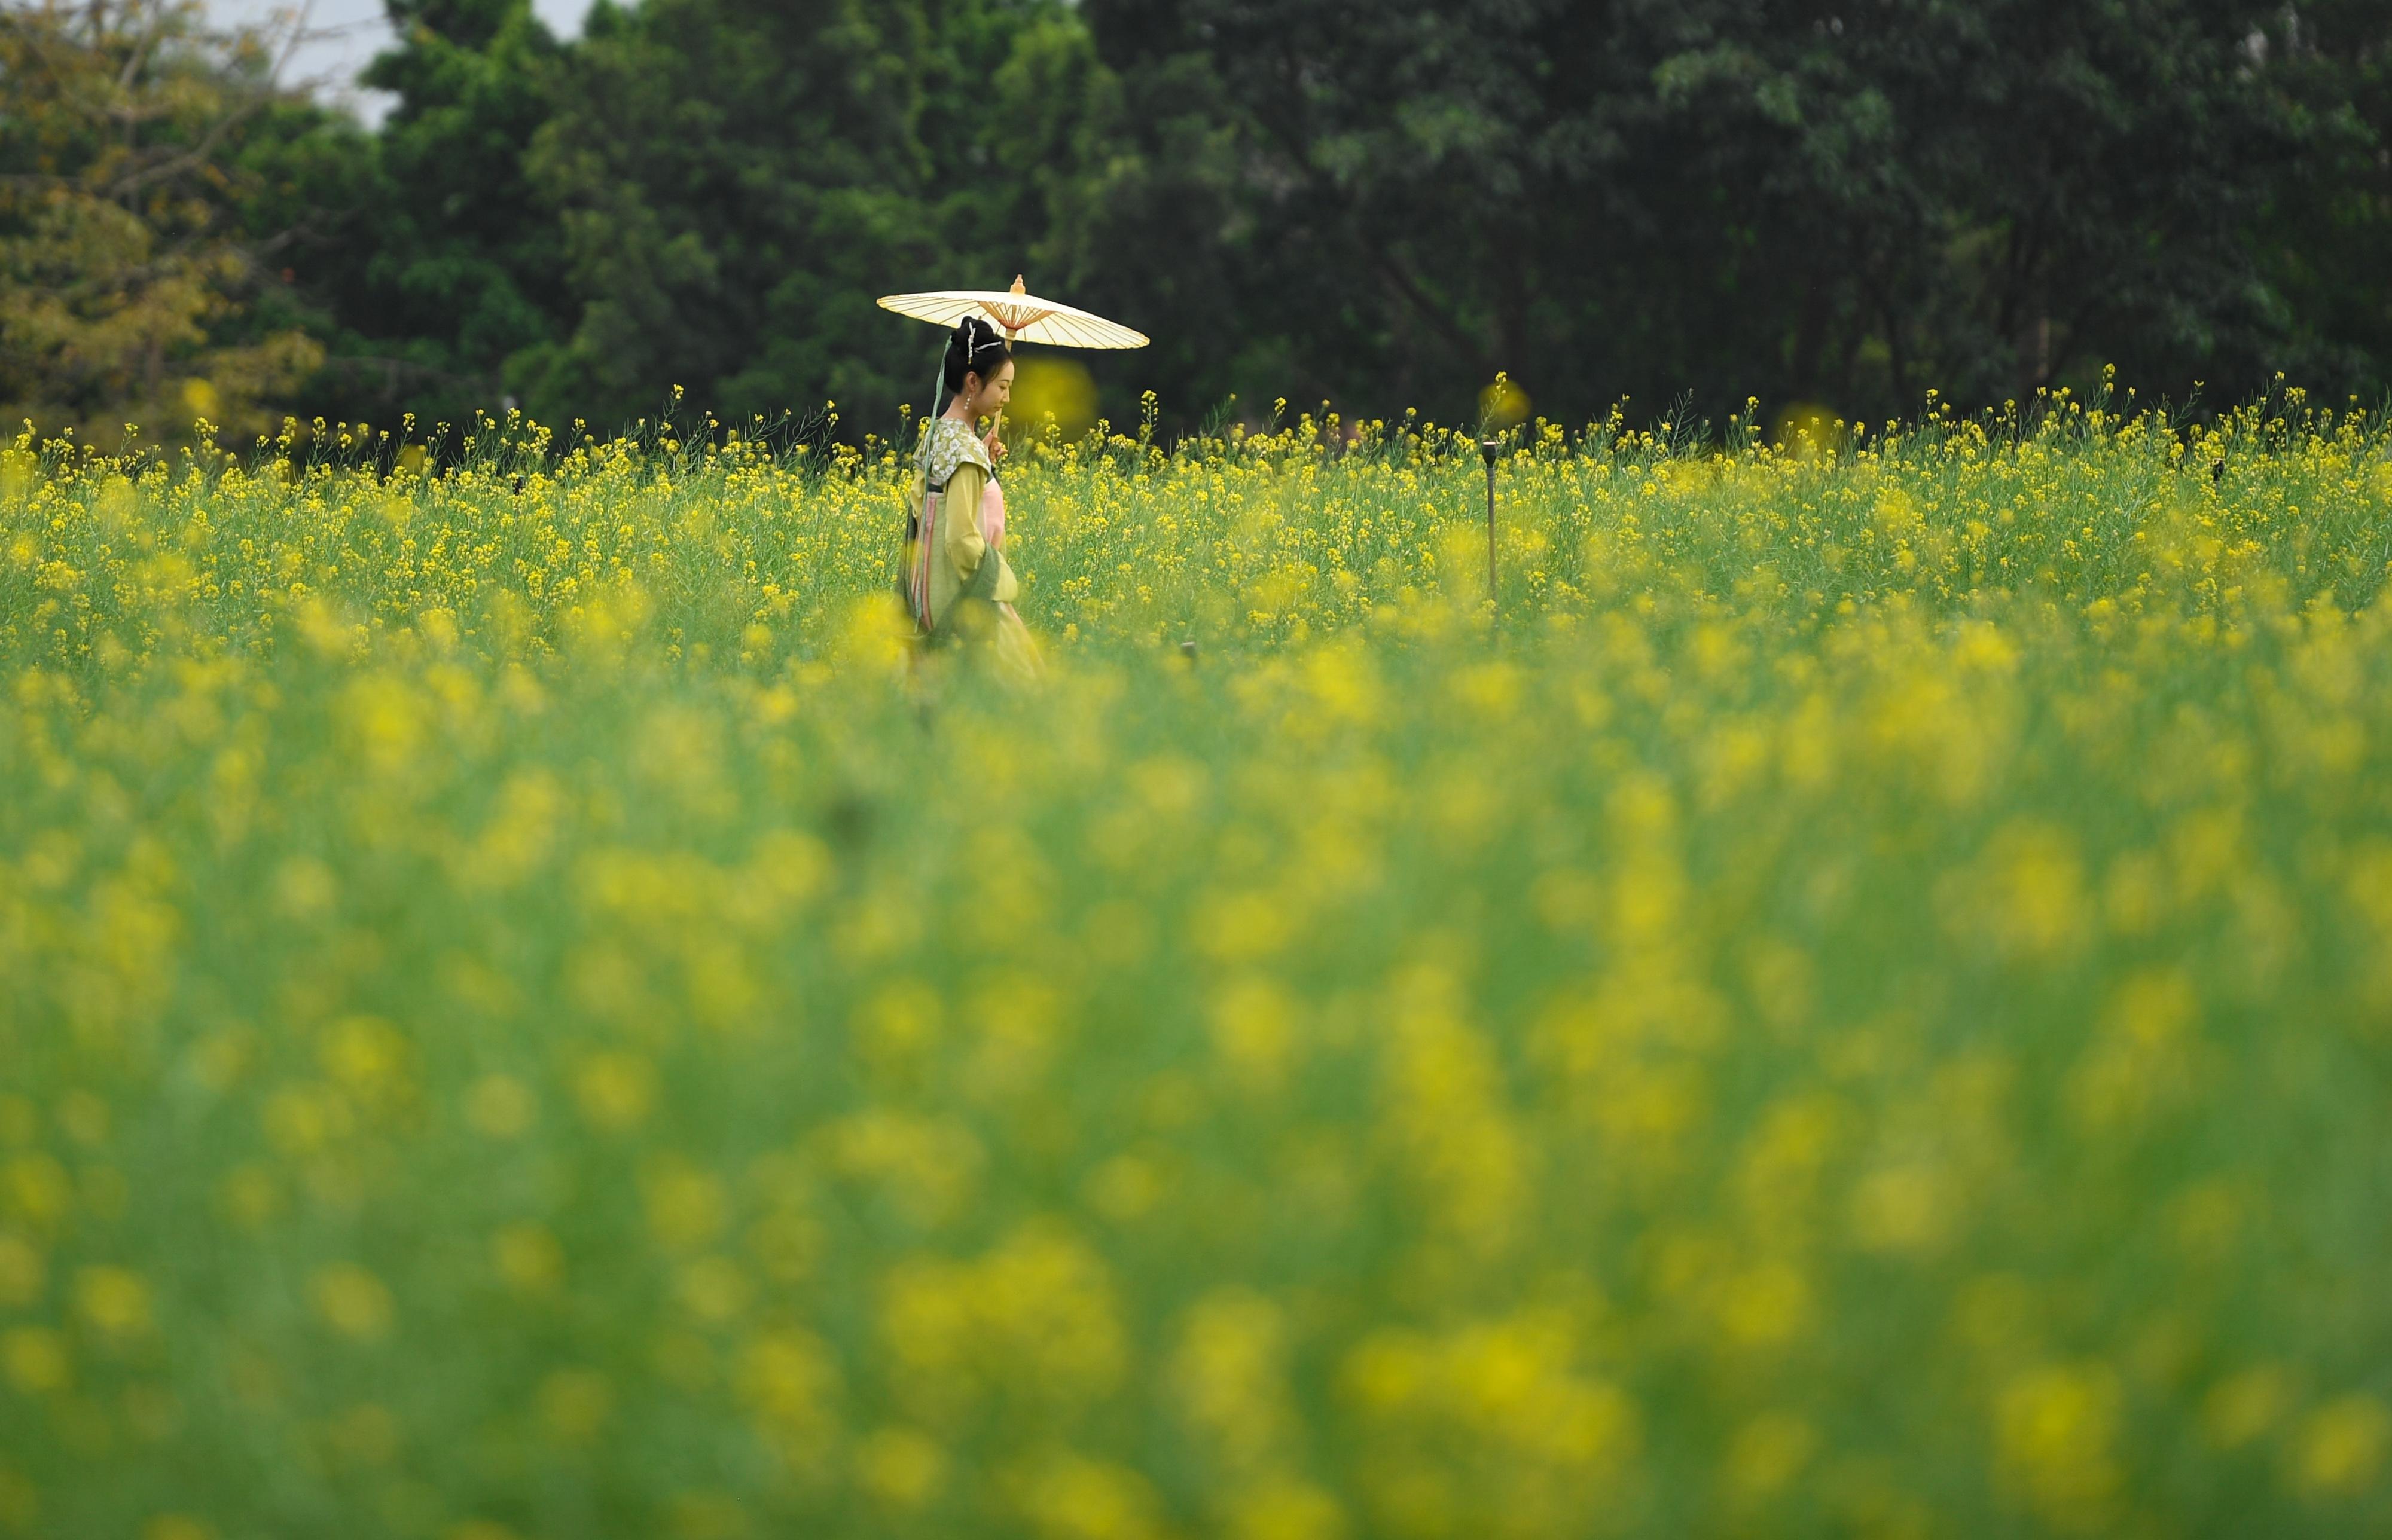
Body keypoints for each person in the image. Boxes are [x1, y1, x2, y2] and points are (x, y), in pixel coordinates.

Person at [902, 315, 1040, 676]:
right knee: (1027, 688)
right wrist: (1001, 583)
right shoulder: (964, 454)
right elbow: (962, 539)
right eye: (1003, 386)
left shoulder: (940, 435)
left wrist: (980, 456)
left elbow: (929, 505)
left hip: (927, 597)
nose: (1007, 398)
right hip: (966, 600)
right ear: (973, 381)